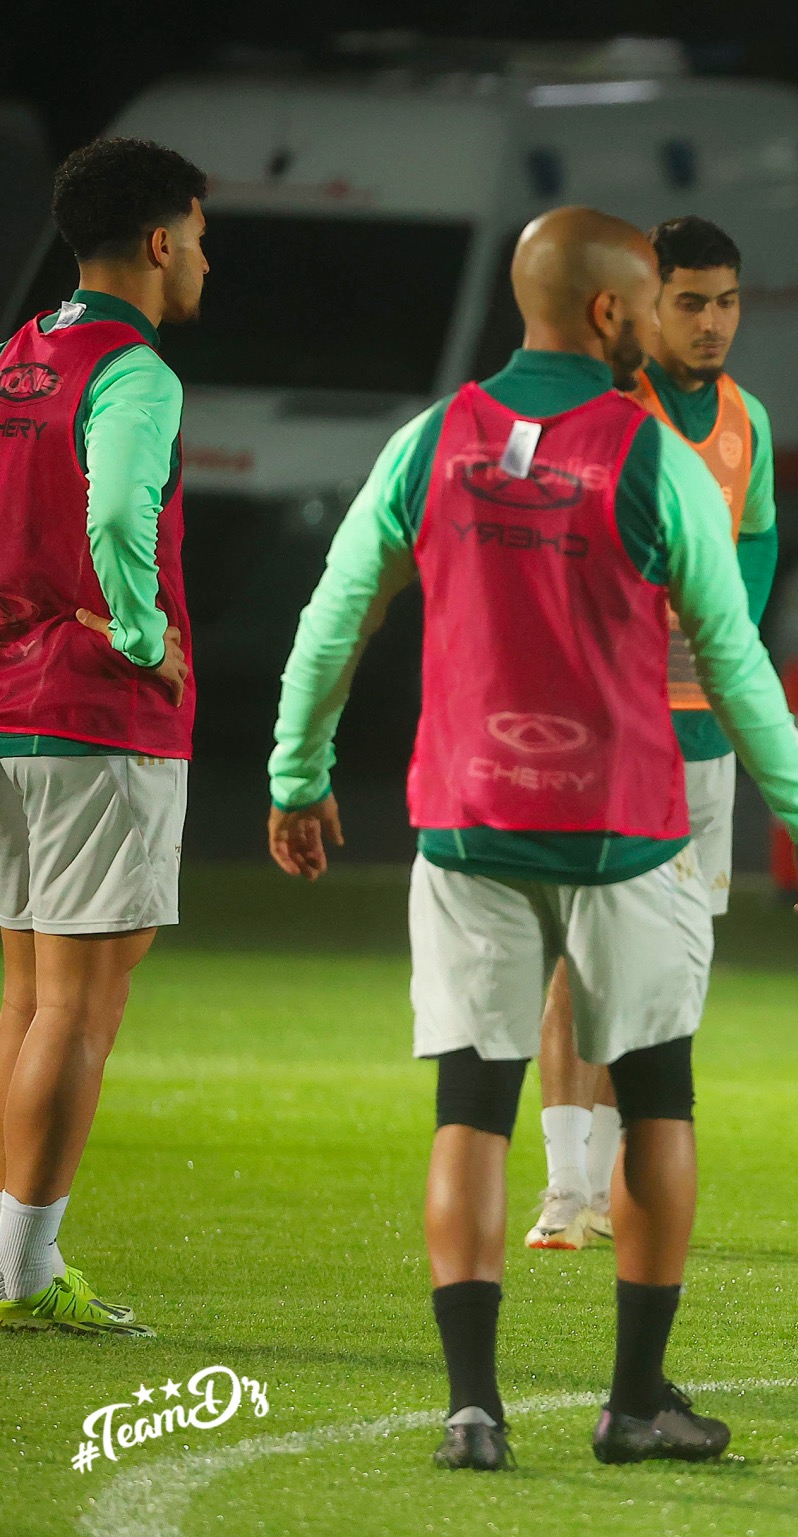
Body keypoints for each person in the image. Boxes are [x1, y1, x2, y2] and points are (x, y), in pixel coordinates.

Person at [266, 206, 798, 1472]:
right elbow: (735, 664)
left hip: (467, 825)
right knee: (658, 1102)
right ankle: (633, 1402)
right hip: (622, 833)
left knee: (470, 1108)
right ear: (607, 312)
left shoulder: (429, 440)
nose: (662, 324)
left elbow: (335, 618)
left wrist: (297, 774)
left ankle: (471, 1408)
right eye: (649, 301)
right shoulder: (654, 457)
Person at [525, 216, 783, 1254]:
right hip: (605, 736)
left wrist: (730, 641)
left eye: (726, 301)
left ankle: (623, 1175)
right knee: (581, 956)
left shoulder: (747, 420)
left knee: (673, 963)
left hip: (703, 743)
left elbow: (755, 537)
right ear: (646, 303)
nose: (711, 322)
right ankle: (565, 1188)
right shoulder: (609, 410)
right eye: (689, 302)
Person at [0, 137, 206, 1339]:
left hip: (11, 706)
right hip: (94, 714)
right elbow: (120, 505)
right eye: (202, 240)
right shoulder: (134, 371)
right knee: (81, 1006)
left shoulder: (20, 353)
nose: (206, 264)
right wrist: (139, 630)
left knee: (29, 998)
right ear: (162, 242)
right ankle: (24, 1268)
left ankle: (13, 1253)